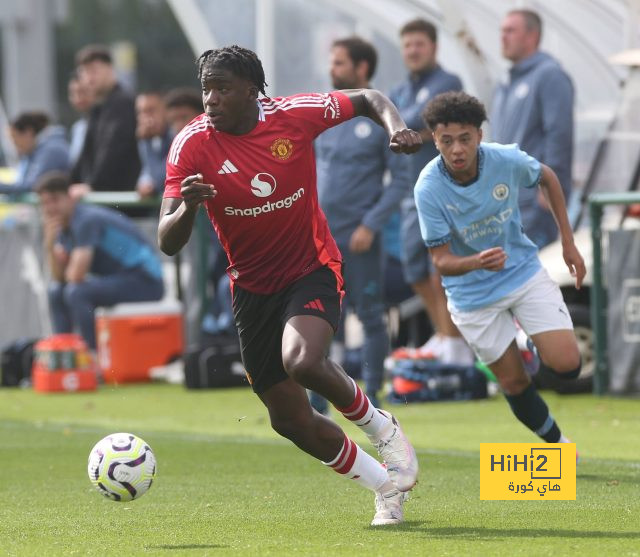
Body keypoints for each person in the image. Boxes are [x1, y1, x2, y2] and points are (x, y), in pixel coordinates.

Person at [158, 45, 420, 526]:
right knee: (289, 420)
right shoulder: (190, 145)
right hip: (251, 289)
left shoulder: (293, 116)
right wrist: (188, 208)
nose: (211, 99)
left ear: (253, 91)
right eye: (206, 89)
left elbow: (368, 97)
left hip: (310, 266)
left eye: (223, 89)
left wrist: (396, 128)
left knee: (302, 361)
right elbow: (166, 240)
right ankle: (385, 487)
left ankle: (380, 426)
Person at [415, 91, 584, 449]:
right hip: (471, 295)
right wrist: (477, 261)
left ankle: (526, 340)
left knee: (568, 366)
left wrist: (568, 242)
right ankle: (559, 446)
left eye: (464, 139)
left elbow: (547, 177)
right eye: (447, 141)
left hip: (521, 272)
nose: (457, 149)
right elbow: (441, 262)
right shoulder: (428, 188)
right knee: (514, 383)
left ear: (479, 135)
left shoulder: (505, 159)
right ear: (435, 140)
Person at [313, 37, 410, 409]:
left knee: (370, 314)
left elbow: (400, 181)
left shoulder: (382, 116)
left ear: (361, 68)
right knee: (319, 315)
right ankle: (317, 402)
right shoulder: (325, 113)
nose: (332, 69)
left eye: (339, 63)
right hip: (322, 237)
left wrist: (371, 225)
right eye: (332, 62)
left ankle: (373, 396)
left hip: (360, 239)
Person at [389, 18, 473, 364]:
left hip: (443, 190)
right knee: (414, 271)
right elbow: (395, 127)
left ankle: (457, 348)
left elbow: (425, 125)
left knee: (441, 268)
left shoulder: (447, 81)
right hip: (409, 192)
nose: (412, 50)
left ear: (433, 48)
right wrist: (413, 130)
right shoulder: (400, 90)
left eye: (419, 44)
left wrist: (414, 130)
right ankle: (444, 336)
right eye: (407, 44)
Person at [37, 171, 164, 351]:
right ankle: (63, 355)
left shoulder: (85, 220)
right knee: (56, 291)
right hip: (123, 279)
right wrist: (49, 244)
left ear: (69, 197)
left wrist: (65, 264)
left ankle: (92, 358)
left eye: (55, 200)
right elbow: (59, 279)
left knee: (76, 292)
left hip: (146, 281)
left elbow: (75, 276)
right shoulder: (62, 226)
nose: (50, 208)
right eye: (45, 203)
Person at [491, 9, 574, 249]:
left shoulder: (550, 76)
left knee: (536, 276)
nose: (503, 37)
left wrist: (549, 190)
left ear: (531, 36)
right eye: (502, 31)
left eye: (510, 31)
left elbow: (559, 134)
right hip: (507, 200)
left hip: (536, 202)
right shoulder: (504, 83)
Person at [71, 44, 140, 196]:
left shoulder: (122, 103)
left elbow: (114, 149)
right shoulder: (98, 107)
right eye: (84, 72)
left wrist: (93, 186)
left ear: (110, 70)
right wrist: (69, 184)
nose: (89, 78)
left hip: (118, 198)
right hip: (103, 195)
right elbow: (85, 155)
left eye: (94, 71)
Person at [0, 112, 70, 198]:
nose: (14, 146)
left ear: (28, 133)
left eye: (15, 139)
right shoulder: (33, 152)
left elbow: (31, 186)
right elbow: (22, 184)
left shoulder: (51, 150)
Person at [135, 91, 174, 199]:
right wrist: (143, 182)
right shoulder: (148, 137)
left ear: (164, 111)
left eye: (151, 110)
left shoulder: (175, 135)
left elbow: (158, 178)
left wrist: (146, 141)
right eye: (141, 112)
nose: (146, 117)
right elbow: (147, 170)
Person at [67, 75, 95, 166]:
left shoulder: (106, 123)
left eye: (82, 92)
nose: (78, 98)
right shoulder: (77, 128)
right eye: (73, 93)